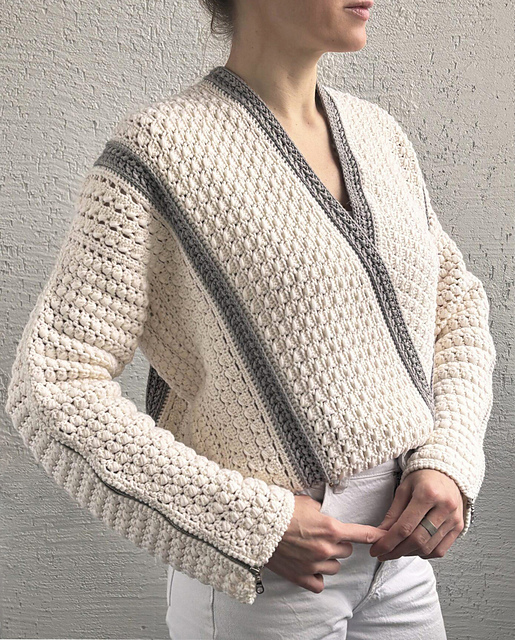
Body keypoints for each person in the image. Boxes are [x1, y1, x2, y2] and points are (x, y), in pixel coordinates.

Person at [5, 0, 496, 638]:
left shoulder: (380, 135)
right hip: (265, 582)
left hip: (402, 555)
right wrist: (247, 524)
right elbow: (50, 384)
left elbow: (456, 307)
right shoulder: (158, 153)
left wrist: (449, 456)